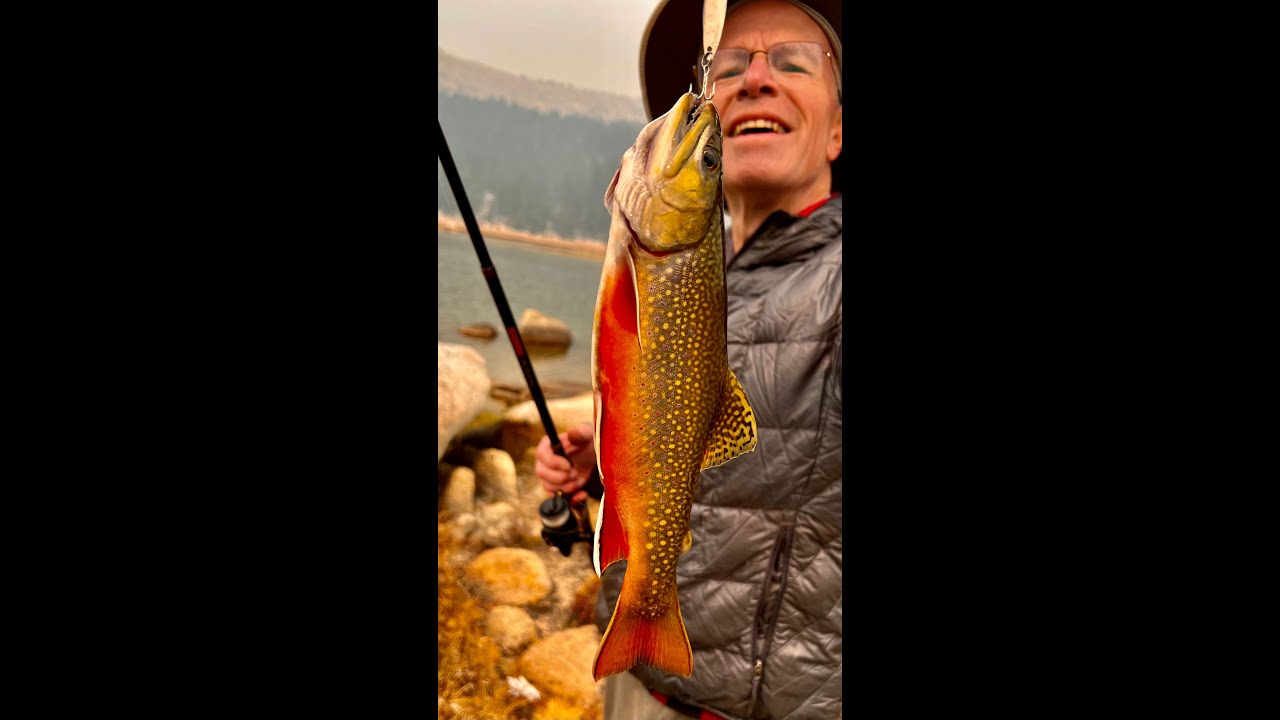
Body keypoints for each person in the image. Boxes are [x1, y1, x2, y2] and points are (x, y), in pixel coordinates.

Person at [535, 0, 841, 717]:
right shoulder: (706, 266)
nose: (756, 78)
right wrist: (609, 466)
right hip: (633, 681)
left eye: (793, 62)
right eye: (729, 66)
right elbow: (695, 445)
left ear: (838, 129)